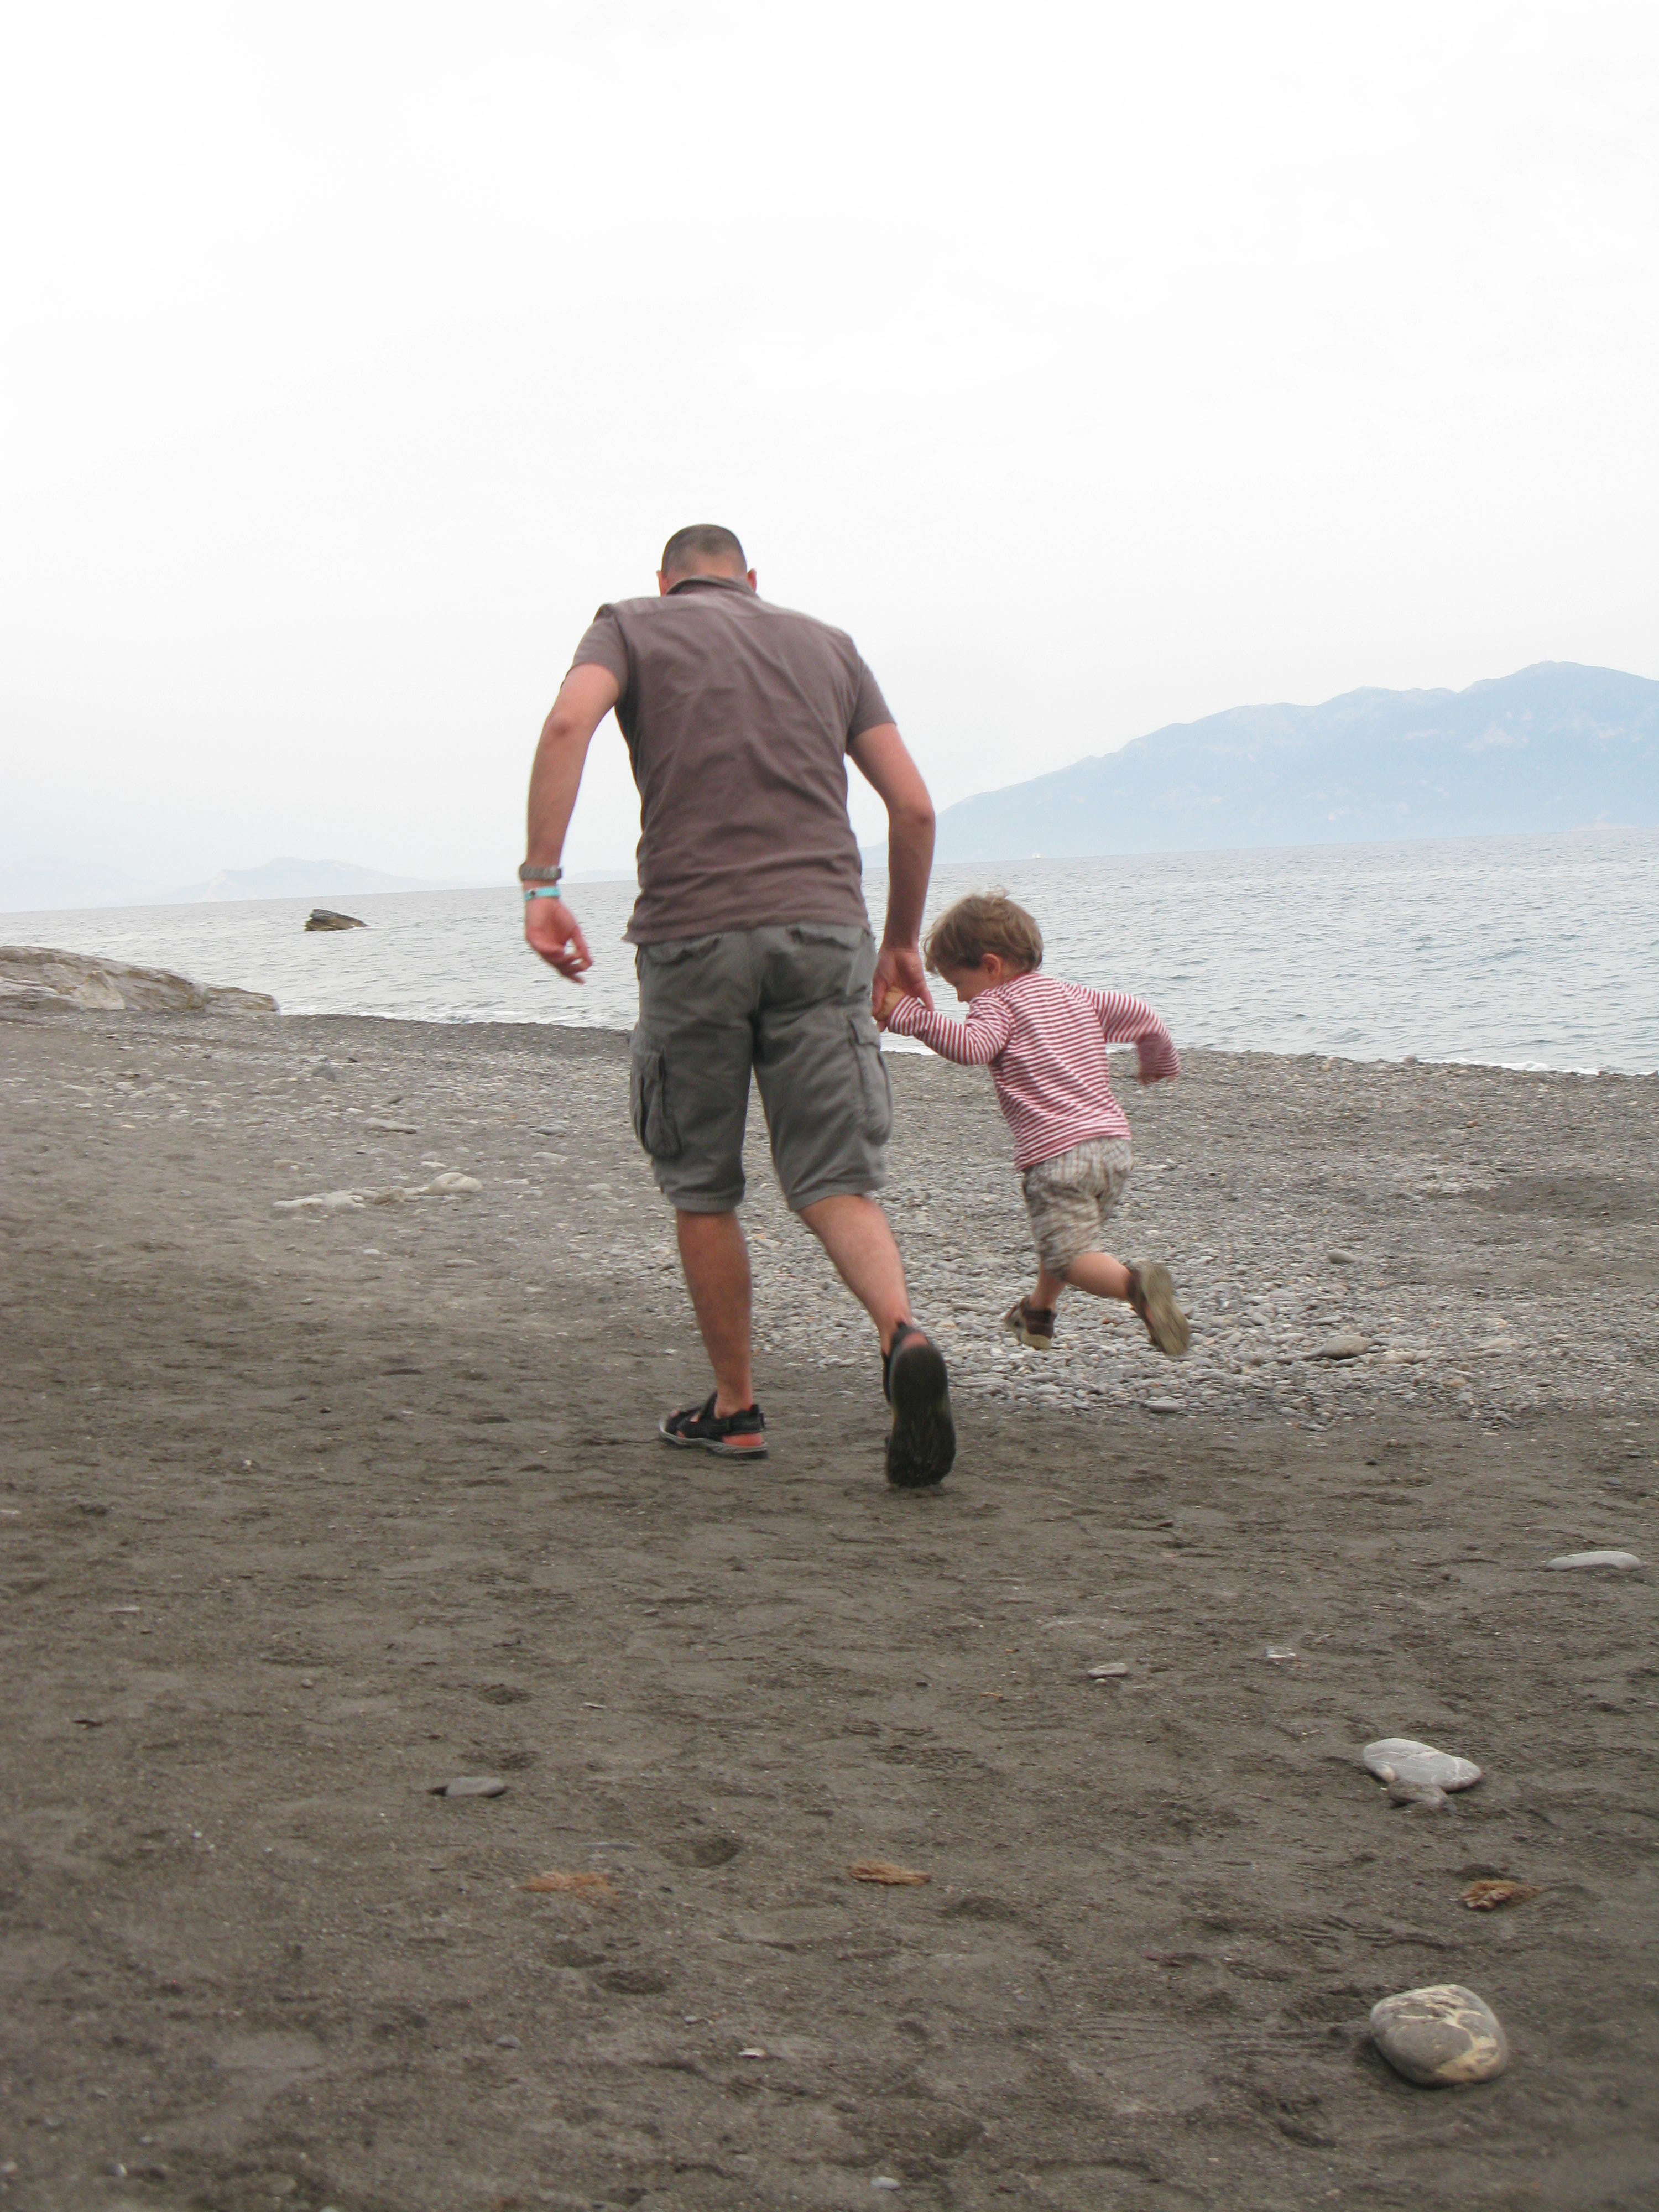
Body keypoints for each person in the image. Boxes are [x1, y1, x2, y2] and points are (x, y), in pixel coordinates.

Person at [521, 524, 955, 1487]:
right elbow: (915, 808)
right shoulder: (830, 646)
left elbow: (566, 727)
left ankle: (736, 1408)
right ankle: (902, 1335)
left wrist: (541, 884)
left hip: (694, 937)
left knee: (703, 1183)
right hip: (823, 935)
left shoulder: (629, 625)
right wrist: (899, 940)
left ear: (666, 579)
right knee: (835, 1177)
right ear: (752, 580)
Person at [877, 891, 1190, 1358]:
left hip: (1057, 1155)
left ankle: (1136, 1287)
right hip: (1114, 1146)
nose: (960, 997)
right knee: (1064, 1237)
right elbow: (1143, 1015)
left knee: (1070, 1255)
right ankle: (1039, 1313)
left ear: (991, 966)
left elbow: (972, 1047)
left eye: (958, 983)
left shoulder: (997, 1002)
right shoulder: (1077, 995)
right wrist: (1159, 1061)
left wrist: (910, 1017)